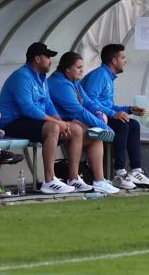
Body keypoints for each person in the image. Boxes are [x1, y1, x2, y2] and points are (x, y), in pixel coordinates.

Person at [0, 42, 87, 194]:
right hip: (12, 123)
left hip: (31, 121)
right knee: (53, 127)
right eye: (48, 57)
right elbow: (28, 109)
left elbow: (48, 104)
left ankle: (74, 178)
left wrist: (61, 122)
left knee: (75, 129)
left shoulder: (42, 77)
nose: (50, 61)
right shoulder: (21, 76)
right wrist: (57, 123)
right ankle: (49, 180)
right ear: (37, 59)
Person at [79, 44, 149, 190]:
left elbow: (108, 105)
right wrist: (114, 114)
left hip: (104, 117)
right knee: (122, 124)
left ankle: (136, 171)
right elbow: (90, 102)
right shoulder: (100, 75)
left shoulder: (108, 77)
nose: (125, 61)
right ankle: (119, 172)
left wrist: (129, 109)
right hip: (90, 119)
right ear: (113, 61)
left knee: (133, 124)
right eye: (122, 57)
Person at [48, 53, 123, 194]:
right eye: (78, 67)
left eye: (82, 67)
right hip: (59, 124)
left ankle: (98, 180)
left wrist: (98, 112)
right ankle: (77, 178)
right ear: (67, 69)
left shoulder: (73, 81)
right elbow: (78, 111)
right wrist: (105, 127)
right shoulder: (60, 84)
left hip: (69, 122)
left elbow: (88, 102)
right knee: (94, 134)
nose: (82, 70)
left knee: (96, 134)